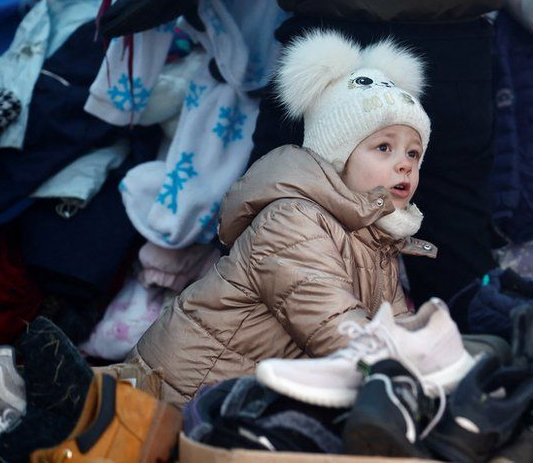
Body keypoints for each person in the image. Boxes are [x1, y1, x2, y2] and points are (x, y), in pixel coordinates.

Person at [99, 0, 504, 305]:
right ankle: (482, 363)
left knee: (272, 246)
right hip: (460, 51)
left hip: (339, 54)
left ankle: (270, 372)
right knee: (455, 254)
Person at [130, 30, 437, 405]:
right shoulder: (294, 221)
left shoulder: (374, 240)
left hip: (236, 399)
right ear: (337, 155)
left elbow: (390, 323)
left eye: (414, 153)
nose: (404, 164)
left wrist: (437, 348)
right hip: (178, 396)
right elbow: (333, 328)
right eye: (384, 148)